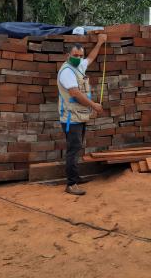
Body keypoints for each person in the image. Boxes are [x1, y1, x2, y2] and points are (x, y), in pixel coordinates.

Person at [57, 34, 106, 195]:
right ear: (68, 55)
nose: (78, 58)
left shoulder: (78, 67)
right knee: (73, 149)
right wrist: (94, 106)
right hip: (71, 118)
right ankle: (71, 184)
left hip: (79, 115)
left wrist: (100, 42)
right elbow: (75, 93)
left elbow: (91, 58)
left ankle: (76, 177)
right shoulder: (67, 72)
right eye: (75, 55)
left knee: (77, 147)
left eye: (80, 55)